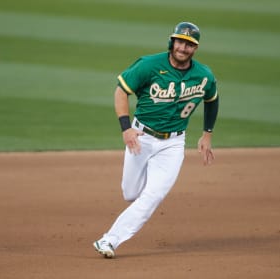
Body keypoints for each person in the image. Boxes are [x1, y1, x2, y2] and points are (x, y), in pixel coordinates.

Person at [93, 22, 219, 258]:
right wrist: (126, 128)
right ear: (172, 42)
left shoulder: (204, 75)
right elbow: (121, 91)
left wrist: (207, 134)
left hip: (173, 144)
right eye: (181, 42)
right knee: (131, 193)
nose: (184, 48)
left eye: (190, 45)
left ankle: (109, 240)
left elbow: (213, 98)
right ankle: (138, 205)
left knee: (153, 196)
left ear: (195, 49)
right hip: (141, 137)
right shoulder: (149, 65)